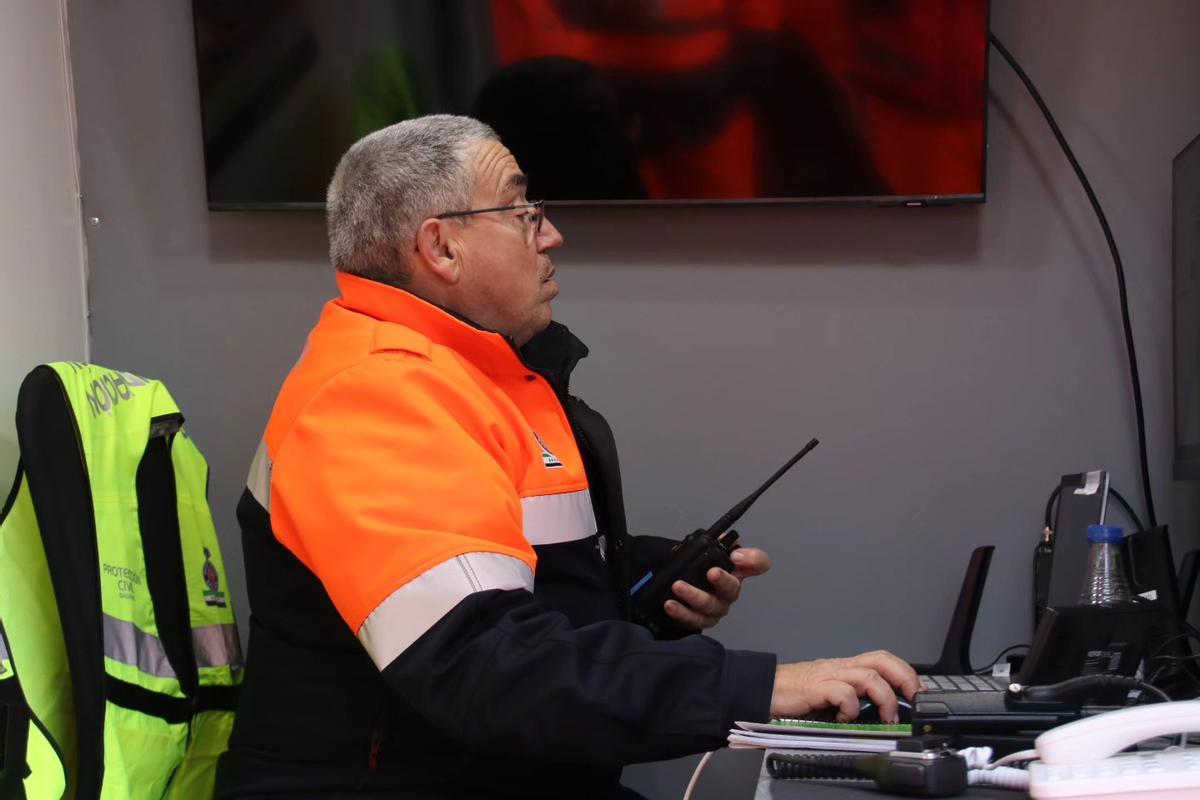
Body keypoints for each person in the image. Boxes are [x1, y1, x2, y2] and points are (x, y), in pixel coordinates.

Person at [215, 114, 919, 799]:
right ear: (441, 248)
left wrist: (641, 582)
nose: (551, 234)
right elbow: (485, 666)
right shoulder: (375, 396)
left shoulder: (483, 373)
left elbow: (505, 571)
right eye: (520, 210)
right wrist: (762, 688)